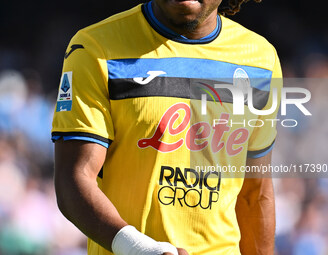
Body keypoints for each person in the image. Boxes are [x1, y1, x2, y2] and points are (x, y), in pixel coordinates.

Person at [52, 0, 282, 254]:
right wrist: (139, 248)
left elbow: (254, 193)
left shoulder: (261, 58)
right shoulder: (95, 46)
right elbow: (74, 178)